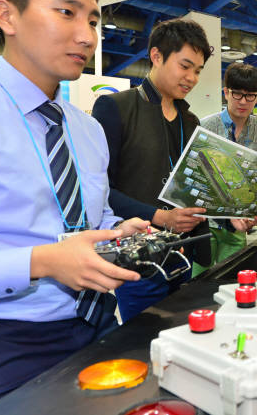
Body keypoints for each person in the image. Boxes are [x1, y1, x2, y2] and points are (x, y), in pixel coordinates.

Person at [0, 0, 150, 414]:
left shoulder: (87, 129)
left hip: (96, 328)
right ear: (7, 15)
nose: (87, 36)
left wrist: (116, 233)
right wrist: (39, 262)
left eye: (94, 19)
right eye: (66, 12)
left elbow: (90, 216)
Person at [91, 18, 212, 322]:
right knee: (143, 348)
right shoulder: (115, 108)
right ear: (157, 56)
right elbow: (101, 191)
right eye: (185, 66)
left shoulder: (191, 121)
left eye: (197, 70)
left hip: (187, 256)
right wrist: (157, 216)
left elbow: (193, 185)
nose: (192, 78)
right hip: (140, 263)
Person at [199, 63, 257, 270]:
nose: (244, 102)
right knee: (198, 284)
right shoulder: (206, 126)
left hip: (239, 224)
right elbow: (200, 177)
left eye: (251, 96)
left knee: (233, 277)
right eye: (237, 94)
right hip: (205, 222)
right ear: (226, 93)